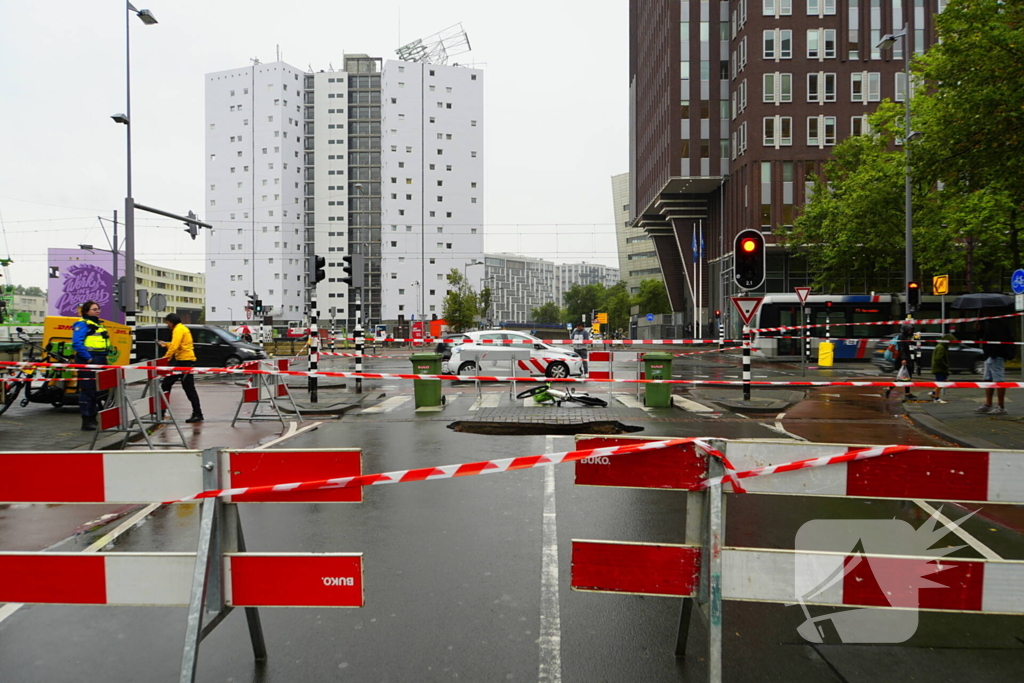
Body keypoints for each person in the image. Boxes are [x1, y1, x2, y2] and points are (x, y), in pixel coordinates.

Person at [71, 300, 112, 431]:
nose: (97, 311)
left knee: (97, 392)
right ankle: (87, 420)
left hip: (99, 359)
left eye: (98, 309)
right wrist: (88, 358)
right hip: (88, 360)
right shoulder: (83, 324)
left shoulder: (97, 325)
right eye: (94, 309)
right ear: (86, 311)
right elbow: (77, 343)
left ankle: (93, 418)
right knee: (88, 391)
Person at [158, 313, 204, 423]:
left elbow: (175, 345)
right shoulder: (182, 328)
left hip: (185, 362)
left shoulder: (178, 330)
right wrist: (167, 345)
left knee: (186, 387)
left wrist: (165, 358)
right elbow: (178, 344)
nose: (167, 325)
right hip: (184, 361)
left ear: (171, 321)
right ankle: (161, 410)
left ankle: (197, 413)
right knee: (167, 384)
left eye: (167, 322)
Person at [975, 318, 1015, 415]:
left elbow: (998, 339)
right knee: (987, 379)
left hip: (996, 355)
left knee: (998, 380)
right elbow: (984, 338)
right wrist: (979, 330)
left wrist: (995, 353)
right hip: (989, 355)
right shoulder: (988, 323)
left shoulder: (999, 324)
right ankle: (988, 404)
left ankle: (1001, 406)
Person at [884, 320, 917, 402]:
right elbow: (902, 349)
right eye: (909, 329)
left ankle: (905, 393)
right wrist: (904, 359)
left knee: (905, 377)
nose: (910, 331)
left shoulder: (906, 337)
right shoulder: (902, 337)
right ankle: (906, 393)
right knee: (904, 377)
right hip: (903, 359)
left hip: (906, 358)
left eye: (911, 329)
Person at [930, 333, 955, 403]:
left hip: (939, 368)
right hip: (939, 368)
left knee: (943, 381)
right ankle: (936, 398)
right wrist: (945, 365)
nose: (951, 344)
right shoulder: (941, 348)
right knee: (940, 383)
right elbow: (938, 359)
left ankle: (934, 393)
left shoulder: (941, 347)